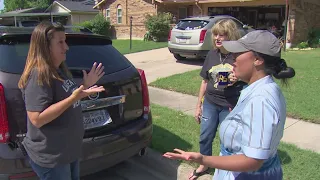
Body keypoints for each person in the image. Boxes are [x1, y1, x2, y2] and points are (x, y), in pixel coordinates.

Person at [163, 30, 295, 180]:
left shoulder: (260, 100)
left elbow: (252, 161)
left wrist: (203, 159)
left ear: (257, 59)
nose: (233, 58)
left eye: (238, 52)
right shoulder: (259, 89)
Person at [18, 21, 105, 180]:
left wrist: (84, 86)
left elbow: (66, 97)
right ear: (45, 46)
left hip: (67, 153)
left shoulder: (59, 70)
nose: (66, 47)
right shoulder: (38, 75)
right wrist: (73, 98)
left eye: (65, 41)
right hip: (52, 158)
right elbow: (36, 119)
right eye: (60, 42)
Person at [192, 19, 246, 179]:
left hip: (229, 105)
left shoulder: (238, 56)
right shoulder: (211, 55)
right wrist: (198, 105)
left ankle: (224, 169)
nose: (218, 38)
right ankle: (204, 163)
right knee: (205, 135)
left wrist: (238, 78)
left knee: (227, 139)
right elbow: (205, 81)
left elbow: (250, 78)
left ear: (231, 36)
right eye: (215, 34)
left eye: (222, 35)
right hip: (210, 102)